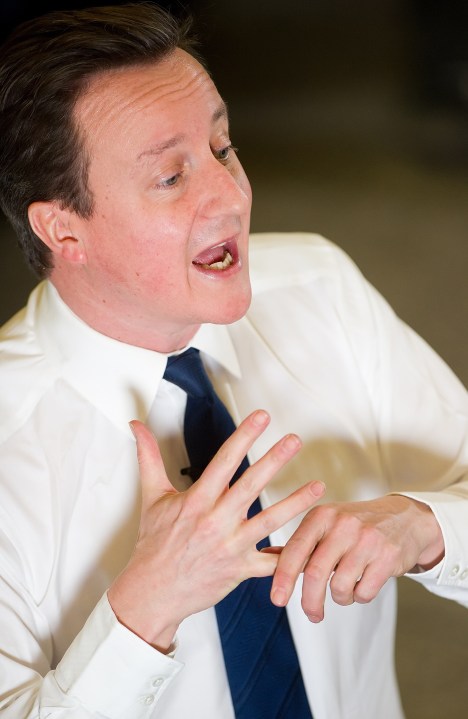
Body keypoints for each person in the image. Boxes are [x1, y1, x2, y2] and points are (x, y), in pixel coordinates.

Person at [0, 3, 467, 718]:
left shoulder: (319, 289)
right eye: (170, 177)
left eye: (223, 147)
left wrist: (425, 526)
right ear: (64, 229)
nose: (233, 194)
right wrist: (143, 610)